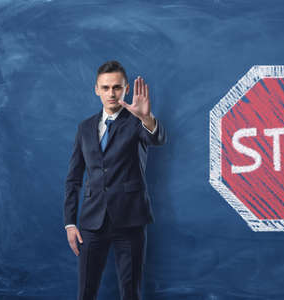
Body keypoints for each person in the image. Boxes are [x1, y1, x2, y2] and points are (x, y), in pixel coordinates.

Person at [63, 60, 166, 300]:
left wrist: (147, 118)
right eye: (106, 87)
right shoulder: (84, 127)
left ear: (126, 89)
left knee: (130, 293)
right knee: (86, 292)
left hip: (130, 220)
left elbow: (157, 139)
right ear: (96, 89)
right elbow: (74, 178)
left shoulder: (137, 121)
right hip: (91, 222)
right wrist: (69, 222)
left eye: (117, 87)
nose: (112, 93)